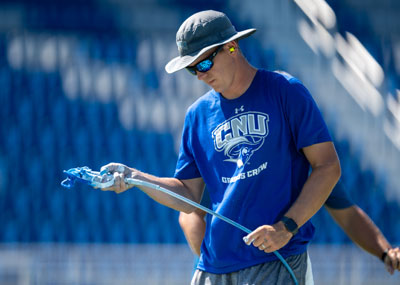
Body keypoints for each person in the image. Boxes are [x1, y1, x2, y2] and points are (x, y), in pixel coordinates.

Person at [98, 10, 341, 284]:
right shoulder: (197, 115)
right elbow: (187, 195)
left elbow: (328, 167)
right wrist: (135, 177)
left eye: (204, 64)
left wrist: (286, 227)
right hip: (213, 269)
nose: (200, 76)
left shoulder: (286, 91)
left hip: (276, 261)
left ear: (232, 47)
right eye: (192, 69)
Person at [179, 182, 400, 277]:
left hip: (283, 274)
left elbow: (348, 214)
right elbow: (189, 215)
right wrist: (222, 265)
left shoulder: (309, 161)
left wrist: (385, 252)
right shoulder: (233, 154)